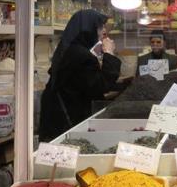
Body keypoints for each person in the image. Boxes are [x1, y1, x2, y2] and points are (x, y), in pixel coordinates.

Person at [39, 9, 121, 142]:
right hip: (70, 124)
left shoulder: (68, 49)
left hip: (55, 121)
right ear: (89, 29)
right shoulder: (82, 56)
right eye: (100, 28)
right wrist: (109, 53)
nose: (103, 33)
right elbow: (101, 85)